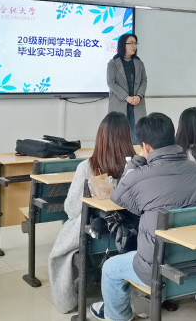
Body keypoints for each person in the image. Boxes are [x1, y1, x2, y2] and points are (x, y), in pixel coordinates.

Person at [90, 113, 196, 321]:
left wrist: (137, 161)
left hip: (158, 268)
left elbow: (117, 196)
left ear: (146, 146)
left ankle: (117, 316)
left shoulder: (140, 177)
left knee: (110, 268)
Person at [48, 112, 136, 314]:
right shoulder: (136, 166)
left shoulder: (87, 167)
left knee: (63, 241)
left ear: (100, 138)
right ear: (127, 137)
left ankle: (70, 297)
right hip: (128, 234)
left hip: (93, 236)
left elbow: (71, 210)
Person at [107, 33, 147, 144]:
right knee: (119, 137)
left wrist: (139, 96)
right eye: (131, 43)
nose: (134, 46)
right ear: (122, 45)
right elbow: (111, 83)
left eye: (136, 43)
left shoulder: (139, 63)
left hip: (137, 104)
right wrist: (126, 97)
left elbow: (144, 80)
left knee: (137, 137)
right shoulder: (113, 63)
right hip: (120, 103)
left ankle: (136, 155)